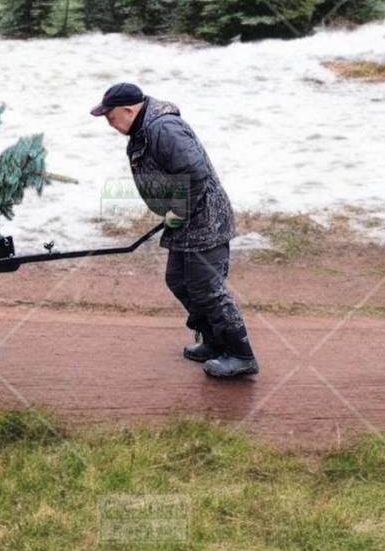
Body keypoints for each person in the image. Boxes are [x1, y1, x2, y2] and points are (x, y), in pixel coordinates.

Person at [91, 82, 259, 378]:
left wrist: (179, 211)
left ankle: (240, 354)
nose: (110, 124)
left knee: (207, 288)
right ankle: (214, 341)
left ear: (128, 110)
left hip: (205, 219)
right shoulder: (144, 129)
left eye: (111, 117)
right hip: (188, 220)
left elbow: (195, 173)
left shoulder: (164, 129)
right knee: (179, 280)